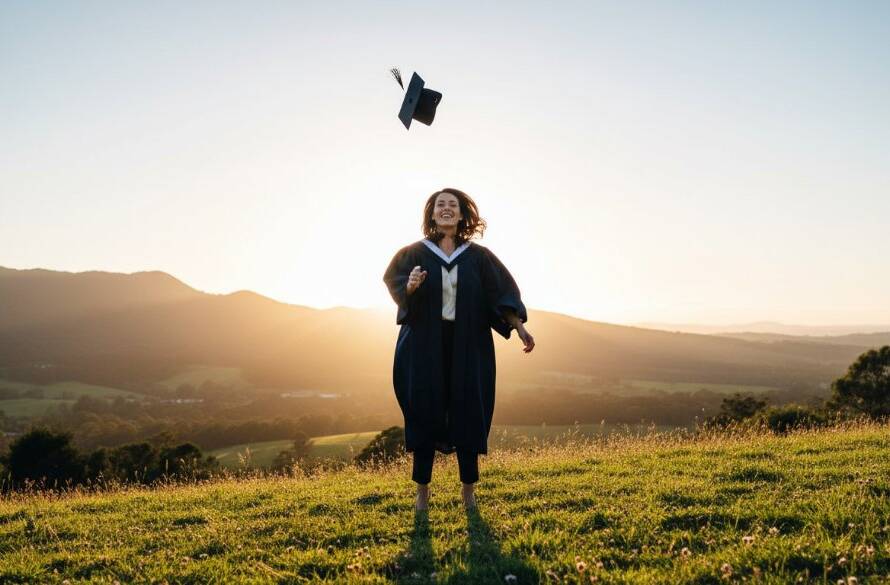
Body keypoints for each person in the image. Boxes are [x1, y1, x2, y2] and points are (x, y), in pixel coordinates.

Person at [382, 187, 535, 512]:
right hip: (424, 346)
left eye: (453, 205)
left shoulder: (478, 257)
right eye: (441, 205)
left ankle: (469, 490)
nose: (446, 209)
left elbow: (500, 294)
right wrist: (409, 286)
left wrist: (519, 326)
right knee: (424, 411)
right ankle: (422, 491)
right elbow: (395, 285)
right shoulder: (414, 253)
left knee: (468, 412)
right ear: (432, 214)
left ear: (463, 214)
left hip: (469, 345)